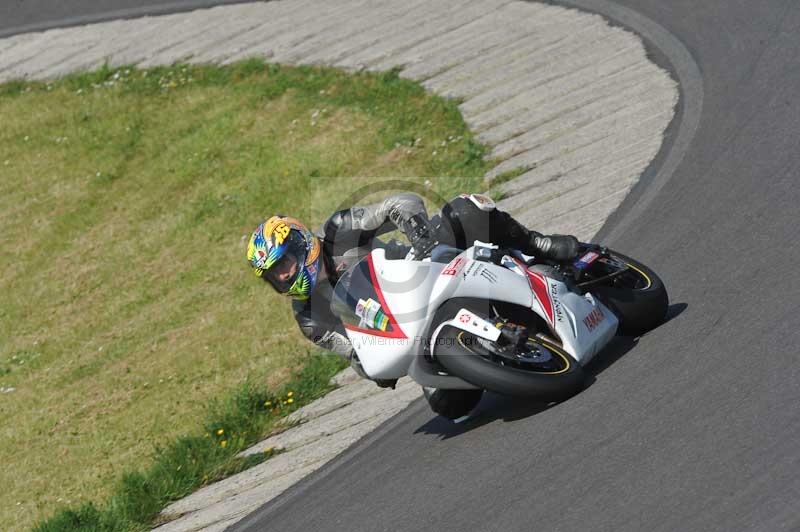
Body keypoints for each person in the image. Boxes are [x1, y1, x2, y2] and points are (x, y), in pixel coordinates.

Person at [246, 193, 580, 418]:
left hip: (427, 267)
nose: (284, 276)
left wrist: (419, 237)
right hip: (413, 334)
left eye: (284, 263)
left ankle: (538, 243)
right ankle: (497, 353)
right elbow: (351, 353)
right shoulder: (308, 317)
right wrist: (372, 365)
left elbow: (399, 203)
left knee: (465, 210)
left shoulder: (339, 232)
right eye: (275, 275)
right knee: (448, 406)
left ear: (301, 244)